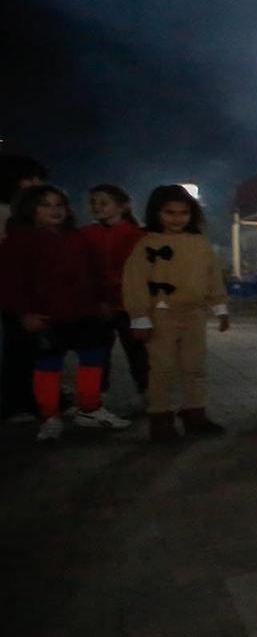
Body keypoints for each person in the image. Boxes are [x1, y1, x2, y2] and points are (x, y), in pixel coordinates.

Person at [0, 185, 130, 441]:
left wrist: (102, 301)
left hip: (84, 312)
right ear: (31, 209)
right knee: (48, 365)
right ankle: (49, 416)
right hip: (45, 316)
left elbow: (95, 272)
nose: (55, 210)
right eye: (46, 205)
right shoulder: (19, 240)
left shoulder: (76, 236)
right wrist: (24, 314)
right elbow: (10, 282)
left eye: (59, 204)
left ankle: (90, 409)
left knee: (93, 357)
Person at [123, 184, 229, 441]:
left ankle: (195, 413)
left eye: (183, 213)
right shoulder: (147, 244)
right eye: (169, 212)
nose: (177, 218)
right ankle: (160, 419)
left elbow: (212, 275)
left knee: (195, 366)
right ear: (157, 213)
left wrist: (220, 307)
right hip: (161, 314)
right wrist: (139, 317)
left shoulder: (199, 243)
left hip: (194, 314)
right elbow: (134, 282)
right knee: (161, 368)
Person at [83, 183, 148, 402]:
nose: (96, 207)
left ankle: (147, 393)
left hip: (128, 304)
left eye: (103, 202)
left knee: (137, 353)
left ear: (122, 206)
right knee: (97, 353)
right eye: (93, 202)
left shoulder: (136, 234)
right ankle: (94, 397)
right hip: (99, 304)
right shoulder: (87, 234)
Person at [0, 156, 51, 422]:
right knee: (17, 348)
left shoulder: (23, 215)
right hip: (13, 292)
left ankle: (34, 396)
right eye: (30, 178)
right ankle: (16, 403)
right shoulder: (7, 214)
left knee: (32, 347)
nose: (36, 184)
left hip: (29, 291)